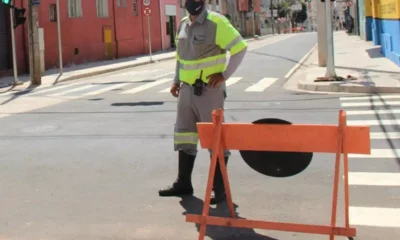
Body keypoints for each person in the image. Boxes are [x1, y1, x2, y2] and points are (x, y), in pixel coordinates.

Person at [158, 0, 248, 204]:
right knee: (184, 135)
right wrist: (175, 81)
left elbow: (240, 48)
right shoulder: (182, 23)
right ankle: (183, 183)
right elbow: (180, 58)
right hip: (186, 90)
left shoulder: (217, 22)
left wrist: (225, 75)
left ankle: (220, 189)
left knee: (214, 138)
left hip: (209, 91)